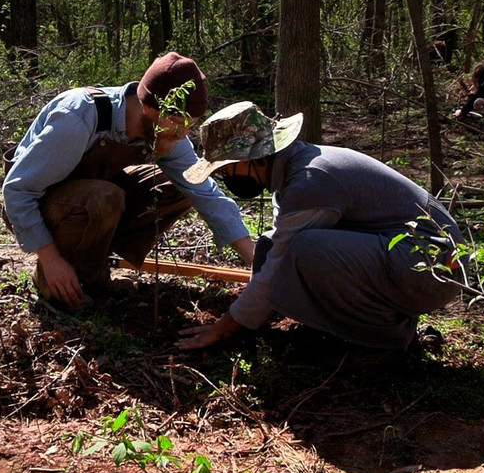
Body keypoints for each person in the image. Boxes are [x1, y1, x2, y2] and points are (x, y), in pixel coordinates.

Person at [175, 102, 463, 353]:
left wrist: (226, 326)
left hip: (430, 269)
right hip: (412, 261)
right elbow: (274, 250)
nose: (225, 176)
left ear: (256, 158)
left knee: (305, 248)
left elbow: (280, 263)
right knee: (271, 244)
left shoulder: (310, 181)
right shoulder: (297, 169)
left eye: (226, 168)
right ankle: (376, 323)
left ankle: (385, 338)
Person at [2, 52, 255, 309]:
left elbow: (204, 191)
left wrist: (254, 260)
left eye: (189, 127)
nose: (182, 136)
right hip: (38, 206)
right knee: (105, 196)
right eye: (177, 124)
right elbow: (17, 190)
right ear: (148, 108)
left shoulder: (165, 127)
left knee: (177, 187)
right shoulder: (78, 116)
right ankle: (58, 280)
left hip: (89, 204)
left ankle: (94, 260)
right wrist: (49, 258)